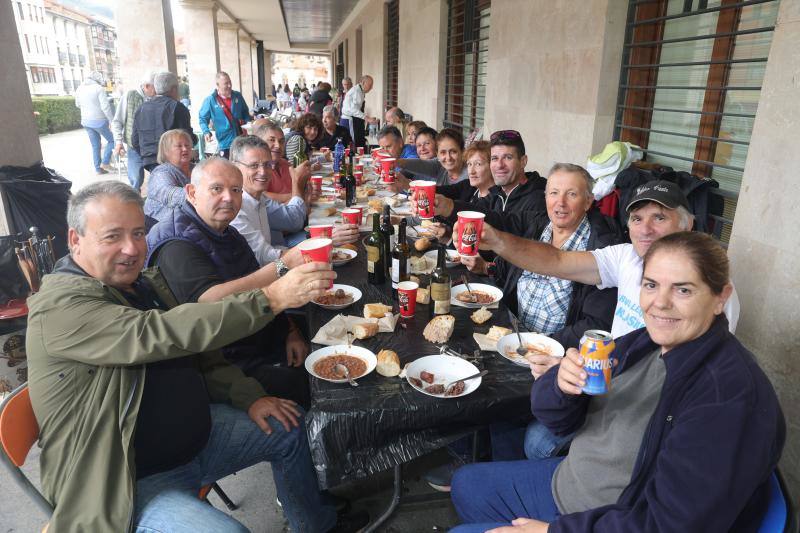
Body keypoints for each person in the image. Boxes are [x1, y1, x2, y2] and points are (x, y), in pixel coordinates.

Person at [25, 180, 363, 532]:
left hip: (199, 439)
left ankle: (316, 524)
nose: (131, 248)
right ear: (75, 239)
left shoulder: (139, 284)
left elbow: (202, 355)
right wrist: (271, 298)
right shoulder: (61, 308)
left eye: (139, 233)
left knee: (288, 427)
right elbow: (160, 333)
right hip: (127, 480)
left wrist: (249, 398)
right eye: (112, 236)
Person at [450, 231, 785, 533]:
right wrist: (561, 385)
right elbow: (556, 418)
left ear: (719, 298)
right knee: (466, 484)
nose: (660, 303)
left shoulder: (728, 398)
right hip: (570, 480)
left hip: (615, 516)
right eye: (651, 285)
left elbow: (670, 523)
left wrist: (553, 532)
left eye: (683, 289)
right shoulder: (644, 342)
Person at [423, 164, 623, 491]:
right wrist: (453, 211)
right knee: (457, 357)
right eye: (554, 193)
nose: (560, 202)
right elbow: (499, 224)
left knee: (502, 401)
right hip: (512, 332)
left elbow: (596, 324)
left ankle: (504, 481)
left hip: (552, 353)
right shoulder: (537, 224)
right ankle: (468, 453)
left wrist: (539, 345)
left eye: (572, 194)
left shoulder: (604, 248)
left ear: (588, 202)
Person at [458, 179, 740, 338]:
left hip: (650, 405)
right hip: (606, 378)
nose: (646, 229)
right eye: (637, 218)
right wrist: (496, 240)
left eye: (660, 217)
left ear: (686, 224)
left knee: (536, 441)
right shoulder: (625, 255)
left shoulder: (710, 282)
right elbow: (557, 261)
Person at [252, 121, 359, 247]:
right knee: (341, 237)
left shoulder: (286, 165)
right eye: (271, 140)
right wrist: (299, 196)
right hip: (282, 242)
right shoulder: (259, 176)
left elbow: (301, 208)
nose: (277, 145)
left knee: (346, 231)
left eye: (281, 141)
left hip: (298, 227)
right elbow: (289, 216)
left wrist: (307, 198)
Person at [429, 130, 546, 218]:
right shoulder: (497, 194)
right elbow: (481, 218)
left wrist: (449, 207)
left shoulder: (537, 200)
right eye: (495, 158)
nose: (500, 165)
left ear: (523, 161)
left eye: (508, 157)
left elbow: (505, 230)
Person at [228, 136, 308, 262]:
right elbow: (266, 257)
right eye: (254, 165)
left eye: (267, 165)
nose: (263, 172)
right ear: (235, 168)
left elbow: (272, 249)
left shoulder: (260, 198)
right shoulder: (234, 209)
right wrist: (317, 246)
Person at [131, 71, 196, 171]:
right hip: (172, 161)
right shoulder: (177, 107)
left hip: (149, 161)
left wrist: (146, 156)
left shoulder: (141, 109)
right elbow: (187, 137)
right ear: (174, 89)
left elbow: (135, 141)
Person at [112, 71, 156, 189]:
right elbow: (117, 121)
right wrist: (118, 142)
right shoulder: (129, 96)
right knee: (136, 179)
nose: (157, 91)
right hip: (134, 147)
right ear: (146, 86)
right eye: (155, 87)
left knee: (158, 177)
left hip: (152, 147)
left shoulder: (156, 99)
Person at [143, 129, 195, 222]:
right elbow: (170, 196)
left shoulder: (196, 168)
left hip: (185, 221)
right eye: (179, 146)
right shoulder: (161, 172)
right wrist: (204, 194)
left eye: (187, 145)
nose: (185, 149)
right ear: (166, 151)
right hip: (159, 224)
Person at [199, 71, 251, 158]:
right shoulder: (210, 100)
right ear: (218, 85)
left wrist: (248, 122)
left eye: (230, 82)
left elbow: (245, 112)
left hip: (241, 139)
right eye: (226, 83)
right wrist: (206, 132)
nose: (229, 85)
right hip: (224, 142)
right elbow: (202, 118)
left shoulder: (237, 96)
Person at [394, 128, 469, 188]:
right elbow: (422, 164)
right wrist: (396, 162)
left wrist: (409, 186)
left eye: (453, 151)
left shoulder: (470, 175)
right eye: (443, 152)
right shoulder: (439, 166)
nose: (448, 157)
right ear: (438, 154)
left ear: (462, 151)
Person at [74, 70, 115, 175]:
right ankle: (105, 162)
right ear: (97, 79)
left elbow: (77, 104)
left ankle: (98, 169)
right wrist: (111, 120)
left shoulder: (79, 88)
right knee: (113, 141)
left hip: (86, 121)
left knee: (95, 146)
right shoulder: (98, 88)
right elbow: (105, 107)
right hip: (99, 121)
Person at [341, 75, 377, 148]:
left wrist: (367, 118)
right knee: (353, 143)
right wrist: (367, 118)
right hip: (349, 120)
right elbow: (353, 110)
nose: (371, 87)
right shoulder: (357, 91)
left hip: (353, 119)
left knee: (358, 141)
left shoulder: (360, 90)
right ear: (363, 83)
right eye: (370, 85)